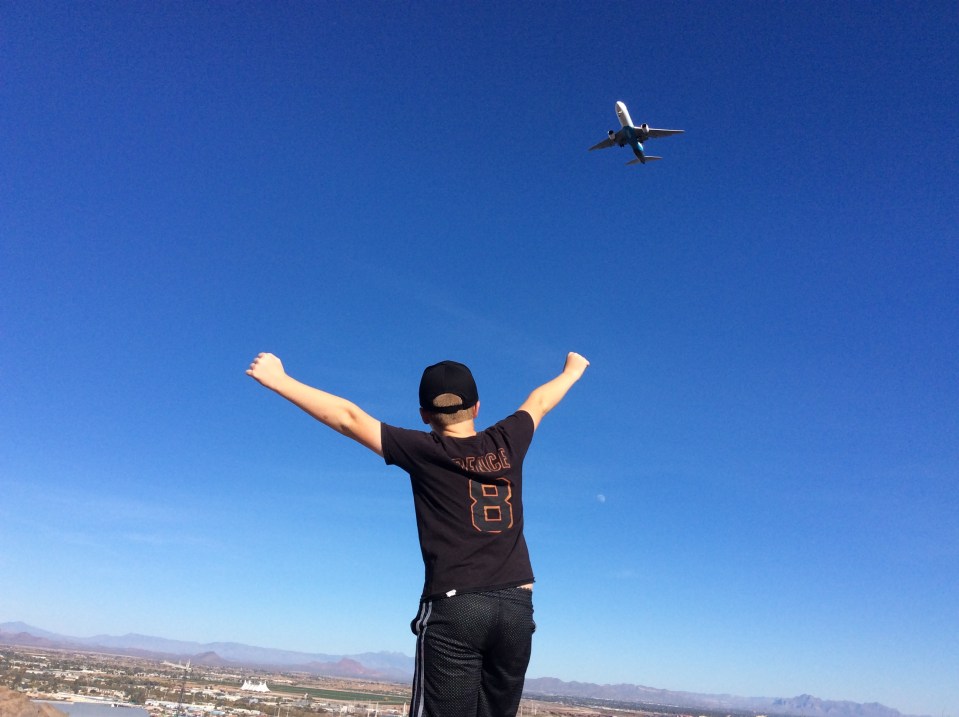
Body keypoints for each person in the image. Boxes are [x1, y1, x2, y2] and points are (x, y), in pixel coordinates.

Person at [246, 351, 590, 717]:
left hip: (456, 606)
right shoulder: (508, 440)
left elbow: (348, 418)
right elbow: (540, 401)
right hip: (516, 608)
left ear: (424, 415)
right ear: (477, 407)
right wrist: (573, 370)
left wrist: (279, 380)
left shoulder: (425, 449)